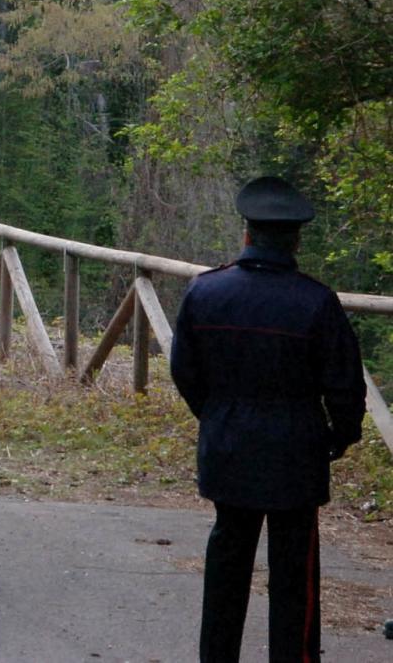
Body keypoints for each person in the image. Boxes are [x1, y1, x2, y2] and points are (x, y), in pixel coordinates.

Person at [170, 176, 366, 662]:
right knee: (295, 574)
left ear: (247, 235)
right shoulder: (316, 302)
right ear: (296, 240)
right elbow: (345, 385)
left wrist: (217, 415)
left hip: (229, 446)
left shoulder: (206, 292)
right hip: (296, 453)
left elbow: (185, 371)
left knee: (226, 564)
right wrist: (338, 437)